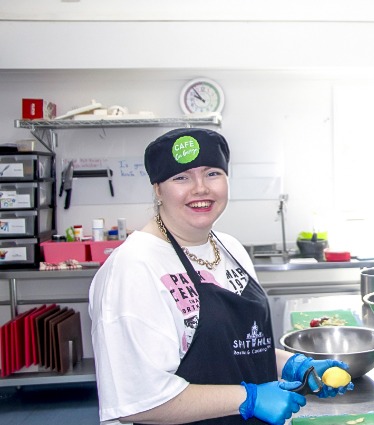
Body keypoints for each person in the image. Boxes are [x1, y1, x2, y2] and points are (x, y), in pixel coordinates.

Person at [89, 128, 353, 425]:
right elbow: (137, 402)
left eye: (212, 173)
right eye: (181, 177)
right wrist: (249, 398)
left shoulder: (230, 249)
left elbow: (233, 349)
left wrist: (292, 364)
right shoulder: (133, 268)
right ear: (158, 189)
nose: (200, 188)